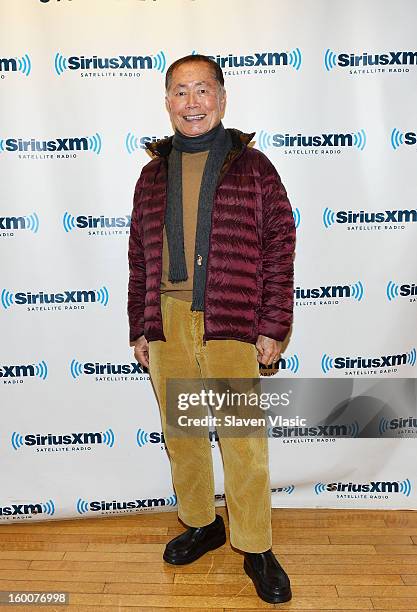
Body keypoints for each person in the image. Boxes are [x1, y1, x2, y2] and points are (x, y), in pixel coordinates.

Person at [128, 54, 296, 605]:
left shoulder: (255, 168)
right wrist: (141, 325)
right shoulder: (151, 175)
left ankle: (256, 545)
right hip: (168, 324)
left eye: (202, 90)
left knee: (244, 443)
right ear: (168, 101)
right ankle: (202, 523)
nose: (192, 102)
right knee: (184, 437)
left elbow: (279, 247)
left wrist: (273, 324)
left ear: (222, 99)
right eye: (180, 91)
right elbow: (137, 258)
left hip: (232, 321)